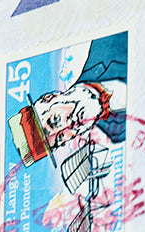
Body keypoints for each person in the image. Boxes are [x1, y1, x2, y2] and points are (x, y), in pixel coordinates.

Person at [8, 33, 127, 167]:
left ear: (50, 97)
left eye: (56, 121)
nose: (69, 127)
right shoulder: (118, 133)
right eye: (61, 139)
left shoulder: (108, 44)